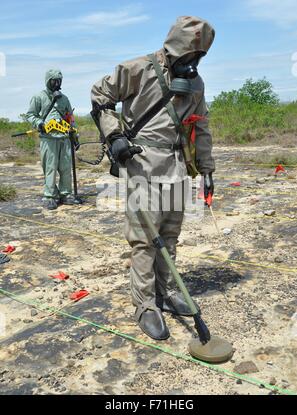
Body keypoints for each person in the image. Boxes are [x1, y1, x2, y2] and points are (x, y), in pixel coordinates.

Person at [91, 16, 215, 340]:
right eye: (190, 55)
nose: (194, 62)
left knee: (170, 236)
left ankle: (169, 291)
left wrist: (207, 169)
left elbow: (200, 127)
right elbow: (99, 97)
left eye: (199, 56)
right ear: (175, 47)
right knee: (145, 240)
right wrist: (114, 135)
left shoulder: (196, 84)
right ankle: (146, 304)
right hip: (142, 165)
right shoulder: (139, 69)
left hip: (177, 167)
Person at [26, 69, 78, 210]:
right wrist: (39, 124)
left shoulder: (64, 98)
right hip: (48, 139)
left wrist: (75, 135)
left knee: (66, 168)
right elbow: (30, 115)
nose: (57, 83)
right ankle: (50, 196)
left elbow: (70, 118)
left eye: (59, 81)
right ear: (48, 81)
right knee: (50, 168)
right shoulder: (39, 97)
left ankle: (66, 194)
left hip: (64, 138)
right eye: (54, 80)